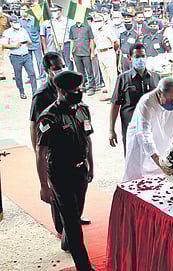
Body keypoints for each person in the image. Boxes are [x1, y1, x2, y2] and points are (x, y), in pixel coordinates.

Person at [36, 70, 95, 270]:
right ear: (60, 90)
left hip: (80, 170)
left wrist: (91, 164)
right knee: (72, 221)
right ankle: (83, 266)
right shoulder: (48, 117)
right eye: (73, 90)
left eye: (79, 88)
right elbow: (41, 151)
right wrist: (44, 185)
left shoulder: (83, 109)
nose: (78, 92)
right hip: (60, 173)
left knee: (76, 212)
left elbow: (87, 138)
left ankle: (67, 241)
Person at [30, 52, 65, 236]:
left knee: (72, 189)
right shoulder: (42, 95)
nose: (60, 71)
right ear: (47, 71)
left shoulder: (67, 86)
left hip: (69, 146)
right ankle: (61, 228)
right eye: (55, 68)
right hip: (52, 149)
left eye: (62, 66)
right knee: (57, 192)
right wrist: (39, 153)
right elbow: (34, 126)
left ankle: (72, 217)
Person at [110, 43, 161, 154]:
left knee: (152, 159)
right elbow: (115, 105)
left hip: (151, 127)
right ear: (130, 58)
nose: (140, 59)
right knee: (132, 159)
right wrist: (111, 130)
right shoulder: (123, 79)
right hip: (131, 128)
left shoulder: (156, 77)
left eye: (143, 56)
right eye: (137, 57)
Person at [3, 15, 37, 99]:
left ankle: (35, 92)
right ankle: (21, 92)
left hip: (26, 55)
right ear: (11, 23)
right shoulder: (7, 32)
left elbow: (29, 41)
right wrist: (14, 45)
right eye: (14, 22)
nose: (16, 23)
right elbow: (4, 45)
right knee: (18, 75)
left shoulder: (23, 30)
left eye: (17, 22)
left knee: (32, 73)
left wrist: (28, 42)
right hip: (15, 56)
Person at [92, 14, 120, 101]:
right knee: (105, 75)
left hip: (108, 52)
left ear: (103, 21)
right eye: (95, 21)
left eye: (99, 21)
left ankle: (115, 95)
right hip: (100, 53)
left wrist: (113, 51)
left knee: (112, 75)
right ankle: (109, 93)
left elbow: (116, 42)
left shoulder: (108, 29)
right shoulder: (95, 30)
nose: (97, 23)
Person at [40, 4, 75, 70]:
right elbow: (51, 35)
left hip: (66, 44)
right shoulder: (51, 22)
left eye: (55, 11)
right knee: (59, 64)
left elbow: (72, 34)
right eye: (52, 11)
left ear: (60, 11)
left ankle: (71, 78)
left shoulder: (67, 21)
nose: (53, 13)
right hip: (57, 45)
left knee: (69, 64)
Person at [70, 20, 96, 96]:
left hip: (86, 52)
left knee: (89, 71)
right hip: (76, 52)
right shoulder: (72, 28)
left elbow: (91, 39)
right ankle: (82, 87)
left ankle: (91, 87)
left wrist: (92, 52)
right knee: (80, 72)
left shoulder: (87, 27)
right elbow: (72, 40)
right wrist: (70, 53)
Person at [20, 4, 45, 81]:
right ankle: (31, 77)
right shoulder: (20, 21)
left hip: (36, 43)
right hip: (26, 45)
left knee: (39, 61)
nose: (23, 12)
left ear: (28, 10)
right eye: (21, 10)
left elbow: (40, 32)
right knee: (28, 62)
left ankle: (42, 76)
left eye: (24, 9)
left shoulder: (35, 20)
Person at [0, 6, 10, 81]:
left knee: (9, 55)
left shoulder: (6, 17)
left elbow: (10, 27)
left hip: (5, 38)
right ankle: (1, 73)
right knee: (0, 57)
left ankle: (13, 73)